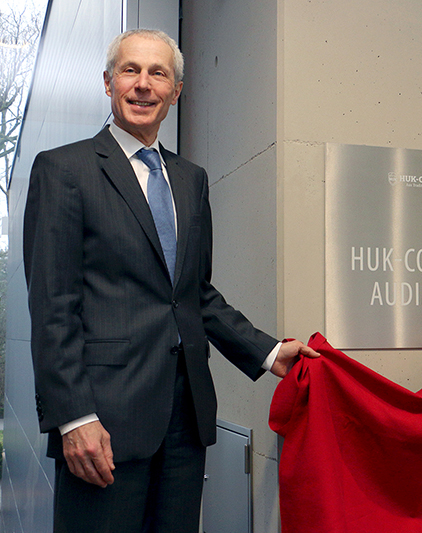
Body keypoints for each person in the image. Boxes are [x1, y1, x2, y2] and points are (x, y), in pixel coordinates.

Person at [23, 28, 319, 533]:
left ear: (175, 91)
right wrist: (73, 418)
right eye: (130, 70)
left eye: (158, 73)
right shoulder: (63, 170)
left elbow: (192, 294)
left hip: (186, 420)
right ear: (108, 81)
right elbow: (53, 306)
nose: (143, 85)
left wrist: (269, 352)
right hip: (103, 423)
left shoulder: (190, 179)